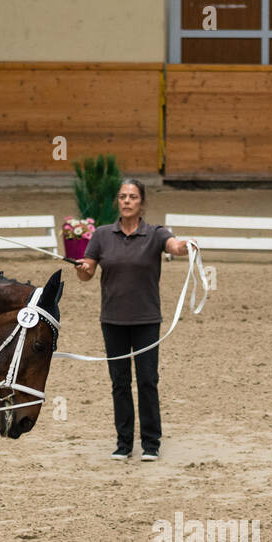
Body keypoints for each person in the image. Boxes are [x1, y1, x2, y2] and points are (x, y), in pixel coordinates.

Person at [74, 179, 197, 461]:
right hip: (112, 321)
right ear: (117, 201)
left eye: (132, 197)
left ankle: (151, 443)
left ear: (142, 202)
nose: (126, 201)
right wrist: (82, 268)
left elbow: (174, 246)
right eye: (122, 197)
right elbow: (87, 272)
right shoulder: (102, 235)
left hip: (146, 320)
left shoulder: (154, 234)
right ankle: (123, 442)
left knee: (147, 381)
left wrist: (185, 245)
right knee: (119, 382)